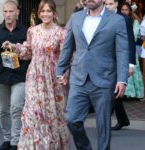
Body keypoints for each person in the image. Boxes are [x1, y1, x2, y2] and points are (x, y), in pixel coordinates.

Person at [56, 0, 129, 149]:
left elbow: (122, 51)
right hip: (79, 77)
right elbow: (68, 46)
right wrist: (60, 70)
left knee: (103, 125)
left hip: (104, 77)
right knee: (72, 119)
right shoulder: (76, 18)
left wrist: (122, 79)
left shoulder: (117, 20)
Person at [2, 0, 69, 149]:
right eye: (42, 11)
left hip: (52, 78)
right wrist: (14, 47)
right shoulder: (32, 31)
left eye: (48, 11)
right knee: (33, 112)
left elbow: (66, 57)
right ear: (39, 14)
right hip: (34, 76)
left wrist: (64, 75)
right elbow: (28, 51)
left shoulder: (61, 32)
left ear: (54, 13)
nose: (45, 14)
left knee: (52, 113)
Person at [0, 1, 29, 150]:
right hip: (1, 76)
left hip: (19, 76)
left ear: (17, 13)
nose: (8, 14)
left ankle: (15, 141)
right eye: (5, 12)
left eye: (11, 11)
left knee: (16, 107)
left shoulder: (26, 32)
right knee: (3, 110)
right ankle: (7, 139)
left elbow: (30, 53)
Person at [105, 0, 136, 130]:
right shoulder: (101, 18)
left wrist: (131, 64)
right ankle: (123, 119)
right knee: (114, 91)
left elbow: (130, 42)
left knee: (113, 92)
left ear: (117, 4)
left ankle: (104, 119)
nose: (108, 6)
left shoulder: (124, 19)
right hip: (106, 62)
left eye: (111, 3)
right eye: (105, 3)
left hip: (120, 61)